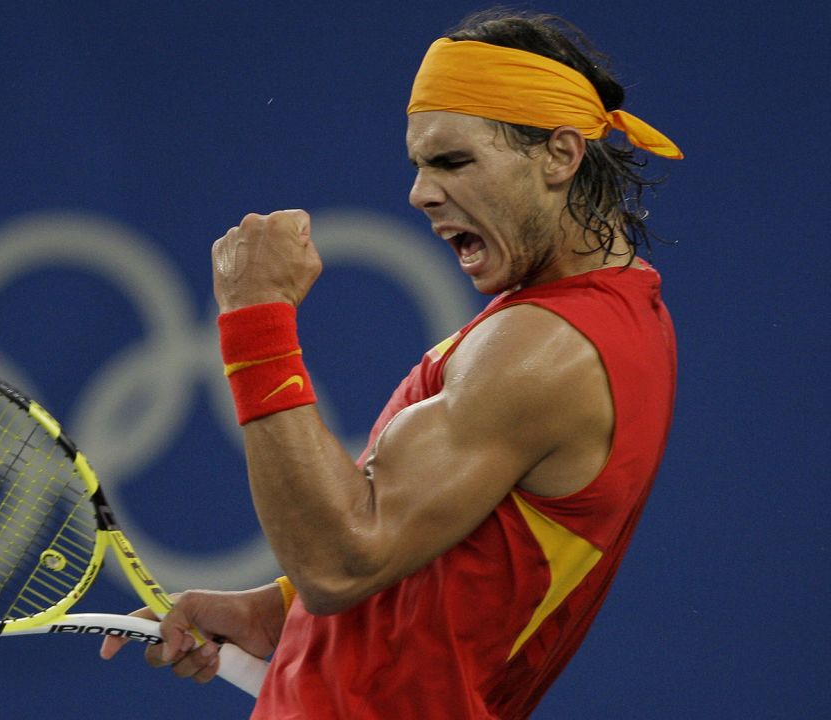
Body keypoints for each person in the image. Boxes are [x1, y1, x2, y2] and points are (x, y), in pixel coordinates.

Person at [101, 9, 681, 718]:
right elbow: (445, 559)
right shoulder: (580, 320)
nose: (420, 193)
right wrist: (278, 612)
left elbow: (342, 563)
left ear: (560, 155)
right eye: (419, 165)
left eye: (453, 161)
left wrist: (254, 317)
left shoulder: (548, 350)